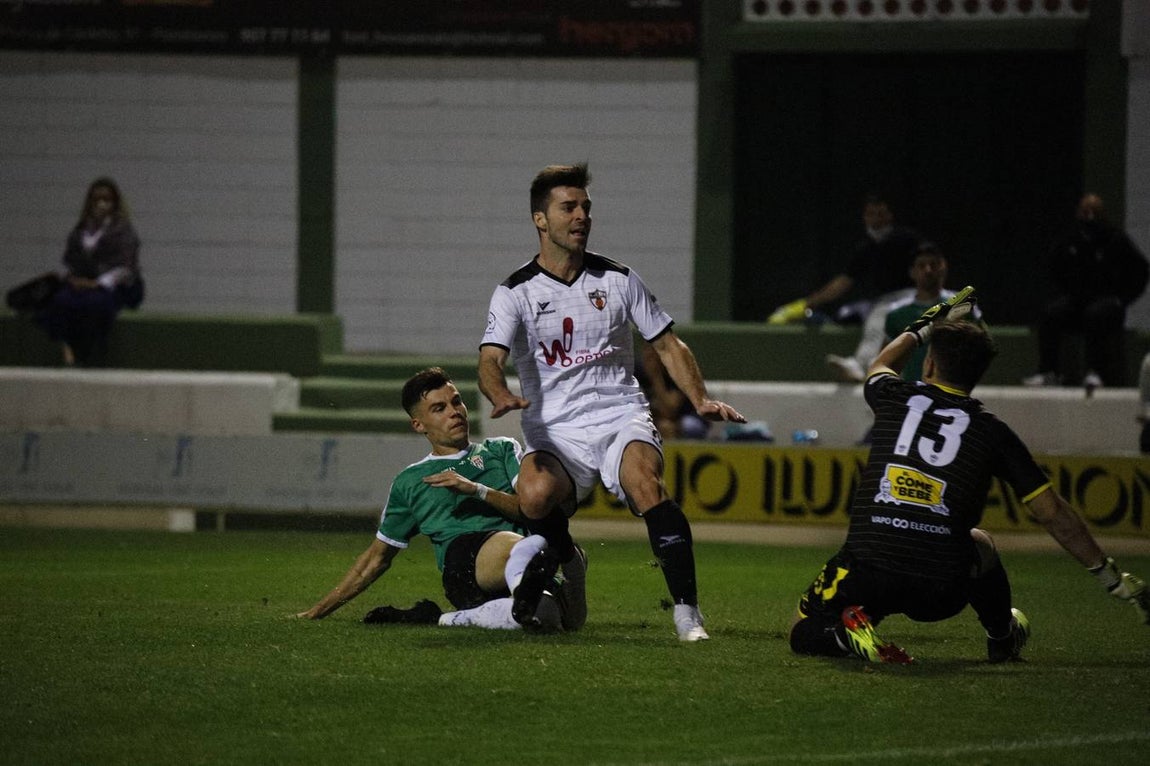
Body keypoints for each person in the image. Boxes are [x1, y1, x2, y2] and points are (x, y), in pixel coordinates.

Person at [790, 294, 1150, 664]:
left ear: (928, 364)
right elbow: (1052, 513)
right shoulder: (992, 433)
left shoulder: (894, 396)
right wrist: (1109, 575)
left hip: (868, 567)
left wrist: (925, 327)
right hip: (940, 589)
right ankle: (1001, 637)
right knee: (981, 544)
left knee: (803, 627)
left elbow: (880, 363)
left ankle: (842, 637)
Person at [478, 163, 746, 642]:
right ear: (541, 220)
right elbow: (490, 359)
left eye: (585, 207)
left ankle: (687, 613)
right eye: (569, 207)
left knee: (645, 483)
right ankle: (567, 557)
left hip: (619, 415)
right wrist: (498, 392)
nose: (581, 216)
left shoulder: (619, 279)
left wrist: (699, 398)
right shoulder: (514, 291)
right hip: (554, 429)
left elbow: (668, 344)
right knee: (534, 496)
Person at [297, 367, 587, 633]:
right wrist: (318, 611)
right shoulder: (410, 482)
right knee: (536, 549)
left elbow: (530, 511)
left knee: (546, 617)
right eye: (439, 408)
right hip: (465, 568)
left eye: (457, 402)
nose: (455, 412)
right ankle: (563, 560)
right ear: (419, 425)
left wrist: (477, 490)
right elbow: (376, 559)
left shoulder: (500, 450)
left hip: (523, 569)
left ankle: (441, 618)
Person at [1023, 193, 1149, 391]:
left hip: (1106, 304)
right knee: (1051, 314)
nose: (1089, 216)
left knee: (1095, 315)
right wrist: (1068, 292)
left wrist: (1122, 300)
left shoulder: (1115, 239)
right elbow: (1054, 267)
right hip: (1078, 302)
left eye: (1094, 212)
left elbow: (1140, 271)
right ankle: (1049, 372)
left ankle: (1096, 372)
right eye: (1085, 211)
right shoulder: (1071, 239)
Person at [826, 241, 976, 383]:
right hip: (912, 395)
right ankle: (859, 364)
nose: (928, 270)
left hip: (950, 395)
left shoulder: (961, 305)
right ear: (912, 272)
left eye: (934, 265)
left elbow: (979, 348)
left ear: (944, 267)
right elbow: (886, 361)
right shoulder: (897, 313)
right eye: (922, 265)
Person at [769, 193, 921, 326]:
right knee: (846, 314)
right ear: (864, 216)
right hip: (883, 301)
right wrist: (803, 305)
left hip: (913, 297)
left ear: (890, 215)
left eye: (880, 214)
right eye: (871, 214)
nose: (876, 220)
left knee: (878, 322)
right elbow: (843, 282)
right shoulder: (866, 247)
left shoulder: (908, 239)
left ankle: (860, 360)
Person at [38, 177, 144, 367]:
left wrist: (98, 283)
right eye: (96, 199)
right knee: (61, 300)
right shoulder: (81, 230)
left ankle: (92, 352)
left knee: (95, 304)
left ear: (115, 202)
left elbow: (126, 268)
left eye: (107, 199)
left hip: (113, 285)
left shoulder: (123, 230)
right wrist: (75, 279)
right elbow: (71, 260)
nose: (101, 204)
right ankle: (67, 349)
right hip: (81, 282)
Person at [635, 344, 710, 440]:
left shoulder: (678, 372)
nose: (650, 359)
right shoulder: (639, 370)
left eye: (654, 355)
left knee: (684, 425)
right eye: (647, 353)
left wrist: (656, 377)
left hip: (686, 416)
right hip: (658, 417)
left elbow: (669, 410)